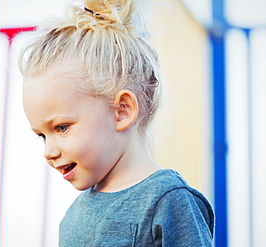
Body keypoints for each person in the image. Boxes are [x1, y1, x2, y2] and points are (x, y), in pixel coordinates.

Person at [20, 0, 215, 245]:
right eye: (42, 136)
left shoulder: (167, 200)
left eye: (62, 128)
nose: (48, 151)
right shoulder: (73, 216)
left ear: (122, 111)